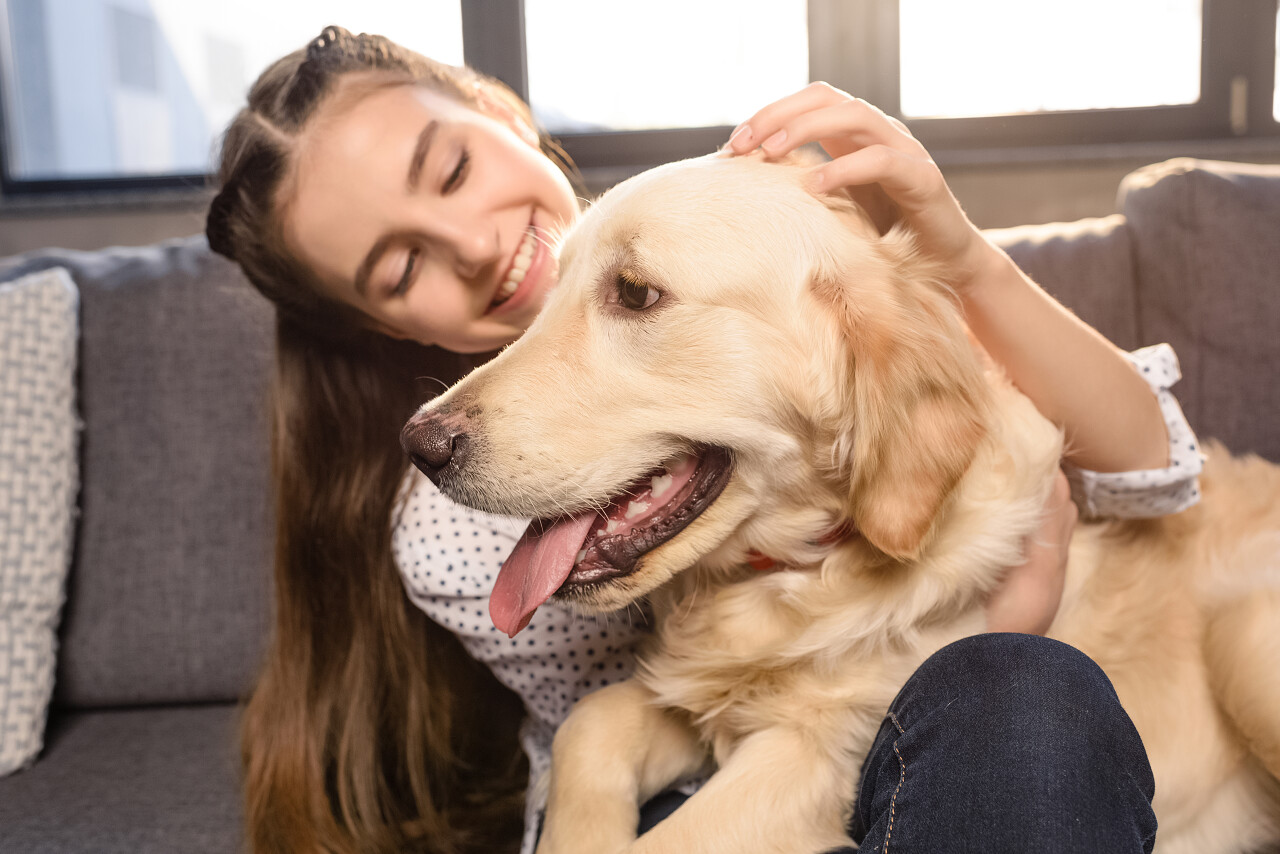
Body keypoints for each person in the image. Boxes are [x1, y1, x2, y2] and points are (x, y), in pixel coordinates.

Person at [205, 26, 1200, 854]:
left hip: (958, 730)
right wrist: (1004, 612)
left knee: (1019, 690)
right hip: (717, 785)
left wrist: (953, 251)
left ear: (502, 115)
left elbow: (1156, 473)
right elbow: (684, 712)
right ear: (386, 328)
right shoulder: (457, 519)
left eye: (452, 167)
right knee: (1012, 683)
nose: (469, 245)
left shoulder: (733, 233)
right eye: (397, 266)